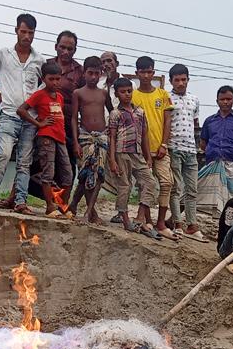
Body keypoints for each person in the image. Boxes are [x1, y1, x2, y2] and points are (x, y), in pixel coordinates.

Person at [0, 13, 45, 215]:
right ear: (16, 31)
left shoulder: (38, 60)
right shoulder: (3, 53)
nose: (26, 36)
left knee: (24, 161)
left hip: (29, 117)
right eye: (23, 31)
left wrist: (35, 98)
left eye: (30, 33)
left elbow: (45, 83)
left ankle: (20, 202)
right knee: (4, 154)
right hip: (7, 113)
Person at [107, 77, 159, 240]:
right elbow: (112, 138)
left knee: (149, 182)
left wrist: (148, 156)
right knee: (125, 185)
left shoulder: (140, 112)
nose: (127, 95)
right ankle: (125, 219)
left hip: (137, 153)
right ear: (116, 94)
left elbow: (144, 136)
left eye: (129, 91)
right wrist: (112, 159)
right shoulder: (115, 114)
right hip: (121, 152)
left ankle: (139, 216)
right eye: (123, 92)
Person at [131, 56, 178, 240]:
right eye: (142, 72)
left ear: (153, 73)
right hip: (140, 150)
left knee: (166, 183)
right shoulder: (133, 95)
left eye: (149, 71)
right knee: (146, 184)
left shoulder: (162, 95)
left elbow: (167, 121)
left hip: (160, 148)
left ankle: (160, 223)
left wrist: (164, 144)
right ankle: (147, 220)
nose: (145, 75)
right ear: (137, 74)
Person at [18, 61, 72, 219]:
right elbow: (21, 110)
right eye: (51, 79)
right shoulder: (39, 95)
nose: (55, 82)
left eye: (57, 79)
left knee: (67, 173)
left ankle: (62, 205)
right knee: (48, 172)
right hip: (46, 137)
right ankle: (49, 206)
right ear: (43, 79)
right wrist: (38, 123)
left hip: (60, 138)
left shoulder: (60, 97)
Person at [68, 55, 110, 224]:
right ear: (84, 73)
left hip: (101, 138)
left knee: (98, 176)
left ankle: (86, 211)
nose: (93, 77)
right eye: (90, 73)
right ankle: (87, 212)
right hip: (85, 137)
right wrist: (76, 142)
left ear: (101, 74)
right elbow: (73, 118)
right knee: (85, 175)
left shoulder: (103, 93)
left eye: (96, 73)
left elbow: (112, 112)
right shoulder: (78, 93)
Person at [168, 63, 205, 242]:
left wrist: (198, 146)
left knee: (192, 189)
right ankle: (177, 224)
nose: (181, 83)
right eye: (177, 80)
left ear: (188, 80)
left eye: (184, 79)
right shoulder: (166, 98)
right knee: (175, 188)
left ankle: (192, 225)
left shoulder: (194, 99)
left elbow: (196, 124)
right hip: (173, 147)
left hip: (191, 150)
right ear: (171, 81)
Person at [200, 85, 233, 195]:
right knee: (212, 195)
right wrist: (212, 151)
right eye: (222, 99)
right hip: (212, 164)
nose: (225, 102)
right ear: (217, 101)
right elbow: (203, 144)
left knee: (232, 195)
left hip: (232, 164)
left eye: (228, 99)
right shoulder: (209, 121)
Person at [53, 30, 82, 185]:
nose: (65, 52)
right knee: (37, 159)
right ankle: (19, 197)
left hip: (68, 124)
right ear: (56, 46)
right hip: (46, 122)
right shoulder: (46, 65)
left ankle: (63, 203)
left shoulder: (80, 71)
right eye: (62, 47)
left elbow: (84, 98)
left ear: (75, 50)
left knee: (68, 162)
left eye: (70, 49)